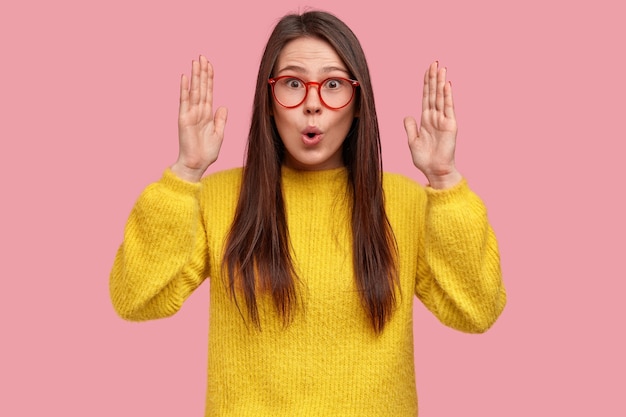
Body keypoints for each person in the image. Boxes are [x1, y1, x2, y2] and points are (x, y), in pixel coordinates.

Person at [110, 10, 506, 417]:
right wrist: (186, 172)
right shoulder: (217, 198)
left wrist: (444, 179)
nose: (312, 104)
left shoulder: (407, 203)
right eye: (293, 84)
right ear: (268, 101)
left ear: (357, 104)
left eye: (333, 84)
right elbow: (136, 298)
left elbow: (476, 311)